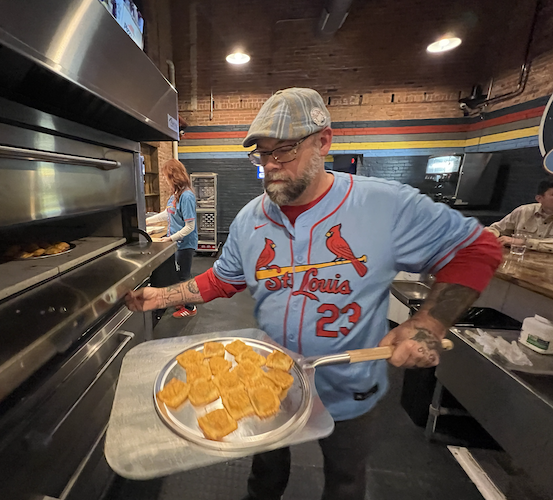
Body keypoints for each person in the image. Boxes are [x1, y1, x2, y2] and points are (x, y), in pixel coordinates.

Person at [128, 88, 502, 500]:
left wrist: (428, 323)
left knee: (344, 480)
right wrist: (161, 297)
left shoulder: (382, 205)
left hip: (348, 384)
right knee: (265, 475)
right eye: (262, 154)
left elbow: (477, 249)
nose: (270, 166)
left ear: (323, 141)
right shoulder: (252, 218)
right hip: (272, 379)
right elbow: (222, 278)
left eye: (284, 151)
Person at [146, 159, 199, 318]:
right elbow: (167, 213)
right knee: (177, 275)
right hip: (176, 243)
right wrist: (146, 221)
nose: (164, 179)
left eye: (165, 176)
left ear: (173, 176)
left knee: (184, 276)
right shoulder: (175, 195)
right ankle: (182, 300)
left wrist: (170, 239)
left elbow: (190, 226)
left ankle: (190, 307)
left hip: (184, 244)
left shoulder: (187, 196)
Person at [485, 177, 553, 253]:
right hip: (517, 260)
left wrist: (524, 242)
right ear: (539, 198)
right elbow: (497, 229)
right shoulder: (523, 211)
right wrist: (486, 236)